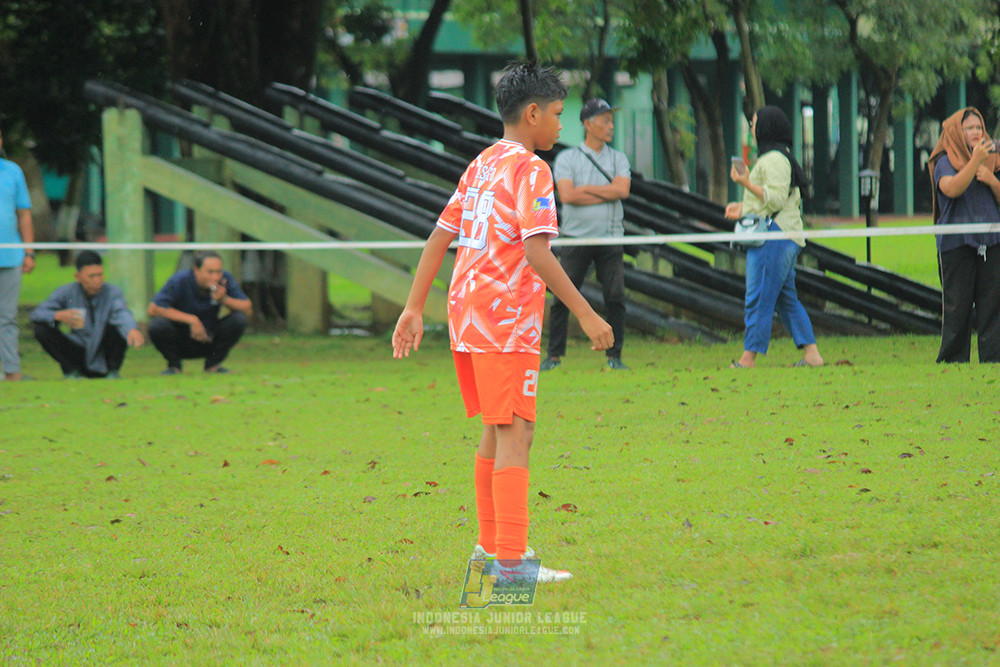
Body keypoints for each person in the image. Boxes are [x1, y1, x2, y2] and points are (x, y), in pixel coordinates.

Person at [391, 62, 613, 583]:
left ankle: (491, 550)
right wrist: (585, 312)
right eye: (558, 115)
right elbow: (536, 251)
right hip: (505, 318)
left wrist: (413, 306)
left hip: (466, 313)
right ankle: (511, 564)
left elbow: (439, 239)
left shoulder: (483, 163)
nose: (562, 125)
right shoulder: (533, 170)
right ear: (532, 113)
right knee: (518, 430)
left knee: (497, 429)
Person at [724, 105, 824, 369]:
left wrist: (745, 183)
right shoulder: (775, 157)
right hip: (780, 233)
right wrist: (742, 208)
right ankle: (812, 354)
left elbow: (777, 198)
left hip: (775, 236)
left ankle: (748, 358)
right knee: (785, 297)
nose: (752, 127)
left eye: (754, 122)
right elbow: (769, 199)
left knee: (758, 295)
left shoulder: (775, 160)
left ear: (766, 126)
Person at [541, 98, 631, 372]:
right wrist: (607, 191)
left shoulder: (618, 158)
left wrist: (586, 191)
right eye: (604, 120)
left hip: (610, 238)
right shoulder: (568, 158)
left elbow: (622, 191)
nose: (610, 126)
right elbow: (567, 196)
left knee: (615, 296)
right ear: (587, 125)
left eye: (611, 120)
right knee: (561, 296)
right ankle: (554, 356)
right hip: (575, 239)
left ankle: (614, 356)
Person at [927, 107, 1000, 363]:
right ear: (957, 132)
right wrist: (974, 163)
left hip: (992, 242)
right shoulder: (944, 162)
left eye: (979, 128)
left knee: (992, 305)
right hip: (956, 244)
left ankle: (993, 358)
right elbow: (952, 188)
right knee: (958, 307)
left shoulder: (993, 160)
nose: (976, 133)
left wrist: (992, 180)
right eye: (970, 128)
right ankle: (953, 360)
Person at [30, 251, 144, 378]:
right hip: (78, 349)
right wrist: (57, 315)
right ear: (78, 277)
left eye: (100, 275)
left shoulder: (113, 292)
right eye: (91, 276)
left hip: (104, 349)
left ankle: (112, 371)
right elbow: (37, 314)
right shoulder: (66, 292)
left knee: (118, 326)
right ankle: (71, 371)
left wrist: (131, 329)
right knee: (42, 329)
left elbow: (121, 312)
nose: (97, 280)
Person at [147, 250, 252, 374]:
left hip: (209, 338)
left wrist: (224, 299)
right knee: (157, 324)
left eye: (218, 271)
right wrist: (192, 320)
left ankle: (213, 365)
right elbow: (153, 308)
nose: (215, 277)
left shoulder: (224, 280)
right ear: (196, 270)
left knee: (239, 319)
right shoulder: (180, 280)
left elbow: (247, 309)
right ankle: (174, 366)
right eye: (210, 272)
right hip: (181, 339)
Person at [0, 127, 34, 381]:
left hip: (10, 257)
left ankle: (12, 371)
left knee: (7, 318)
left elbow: (24, 214)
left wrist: (28, 251)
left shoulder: (13, 171)